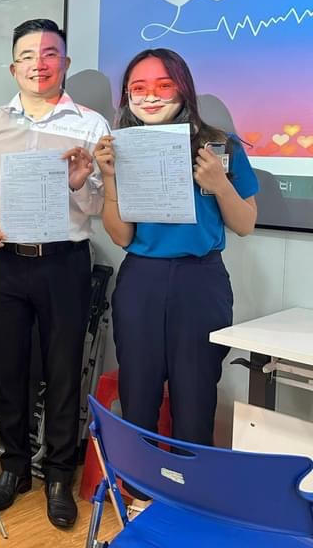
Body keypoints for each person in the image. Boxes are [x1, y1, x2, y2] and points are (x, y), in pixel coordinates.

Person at [93, 48, 257, 485]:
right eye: (138, 88)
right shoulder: (121, 147)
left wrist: (219, 185)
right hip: (141, 279)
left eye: (163, 86)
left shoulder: (218, 145)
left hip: (200, 280)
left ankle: (191, 492)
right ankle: (140, 488)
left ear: (183, 88)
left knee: (196, 394)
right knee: (138, 391)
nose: (150, 97)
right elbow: (121, 236)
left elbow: (245, 223)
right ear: (126, 95)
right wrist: (109, 177)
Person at [0, 19, 109, 528]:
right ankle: (13, 466)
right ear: (14, 67)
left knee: (62, 369)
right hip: (5, 261)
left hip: (64, 262)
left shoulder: (91, 125)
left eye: (50, 54)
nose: (39, 64)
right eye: (28, 56)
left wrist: (78, 183)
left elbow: (100, 205)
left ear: (65, 63)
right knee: (7, 368)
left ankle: (57, 475)